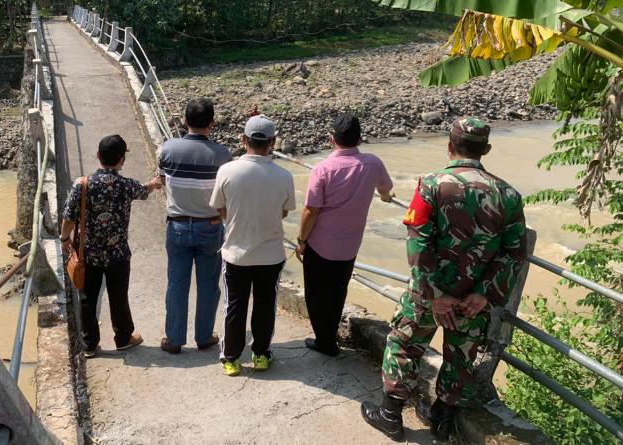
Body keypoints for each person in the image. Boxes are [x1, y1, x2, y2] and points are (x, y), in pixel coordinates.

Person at [361, 118, 528, 441]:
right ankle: (442, 420)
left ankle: (390, 415)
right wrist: (484, 294)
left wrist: (435, 294)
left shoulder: (431, 184)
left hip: (427, 294)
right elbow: (514, 253)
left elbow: (418, 243)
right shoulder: (509, 195)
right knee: (461, 357)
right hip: (472, 301)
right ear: (487, 150)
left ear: (450, 146)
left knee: (404, 345)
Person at [296, 113, 394, 357]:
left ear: (331, 138)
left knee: (316, 294)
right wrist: (383, 195)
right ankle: (330, 337)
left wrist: (301, 241)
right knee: (338, 291)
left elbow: (311, 210)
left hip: (320, 244)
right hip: (350, 244)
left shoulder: (322, 169)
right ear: (359, 139)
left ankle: (325, 341)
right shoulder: (373, 163)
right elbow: (386, 188)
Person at [209, 115, 296, 376]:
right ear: (272, 142)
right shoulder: (284, 175)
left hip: (236, 253)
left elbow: (219, 207)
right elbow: (283, 212)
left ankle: (232, 358)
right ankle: (260, 353)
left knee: (234, 306)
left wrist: (238, 219)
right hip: (270, 254)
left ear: (244, 140)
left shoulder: (227, 171)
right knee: (265, 305)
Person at [61, 134, 162, 357]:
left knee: (87, 298)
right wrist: (154, 183)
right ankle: (123, 338)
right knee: (118, 296)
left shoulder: (82, 185)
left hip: (88, 254)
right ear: (121, 161)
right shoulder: (125, 185)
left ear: (98, 156)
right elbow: (144, 190)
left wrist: (64, 239)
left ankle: (89, 345)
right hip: (117, 254)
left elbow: (69, 217)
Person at [158, 98, 232, 354]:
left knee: (176, 284)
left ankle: (174, 339)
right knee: (209, 284)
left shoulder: (168, 149)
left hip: (177, 226)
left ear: (185, 121)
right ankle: (204, 336)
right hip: (210, 226)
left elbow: (162, 179)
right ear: (211, 123)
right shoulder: (222, 155)